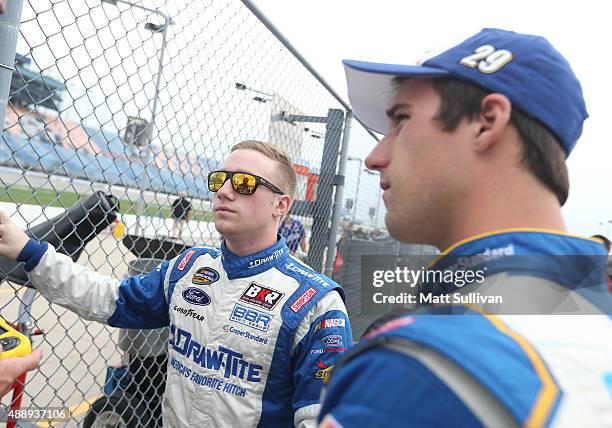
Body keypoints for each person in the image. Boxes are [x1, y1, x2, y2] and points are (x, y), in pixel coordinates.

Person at [319, 28, 612, 427]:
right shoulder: (593, 311)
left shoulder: (417, 370)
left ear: (486, 122)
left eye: (401, 120)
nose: (374, 157)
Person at [0, 140, 352, 427]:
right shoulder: (188, 267)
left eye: (244, 183)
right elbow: (109, 299)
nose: (225, 192)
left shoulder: (316, 304)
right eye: (220, 180)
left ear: (281, 205)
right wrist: (31, 251)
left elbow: (320, 419)